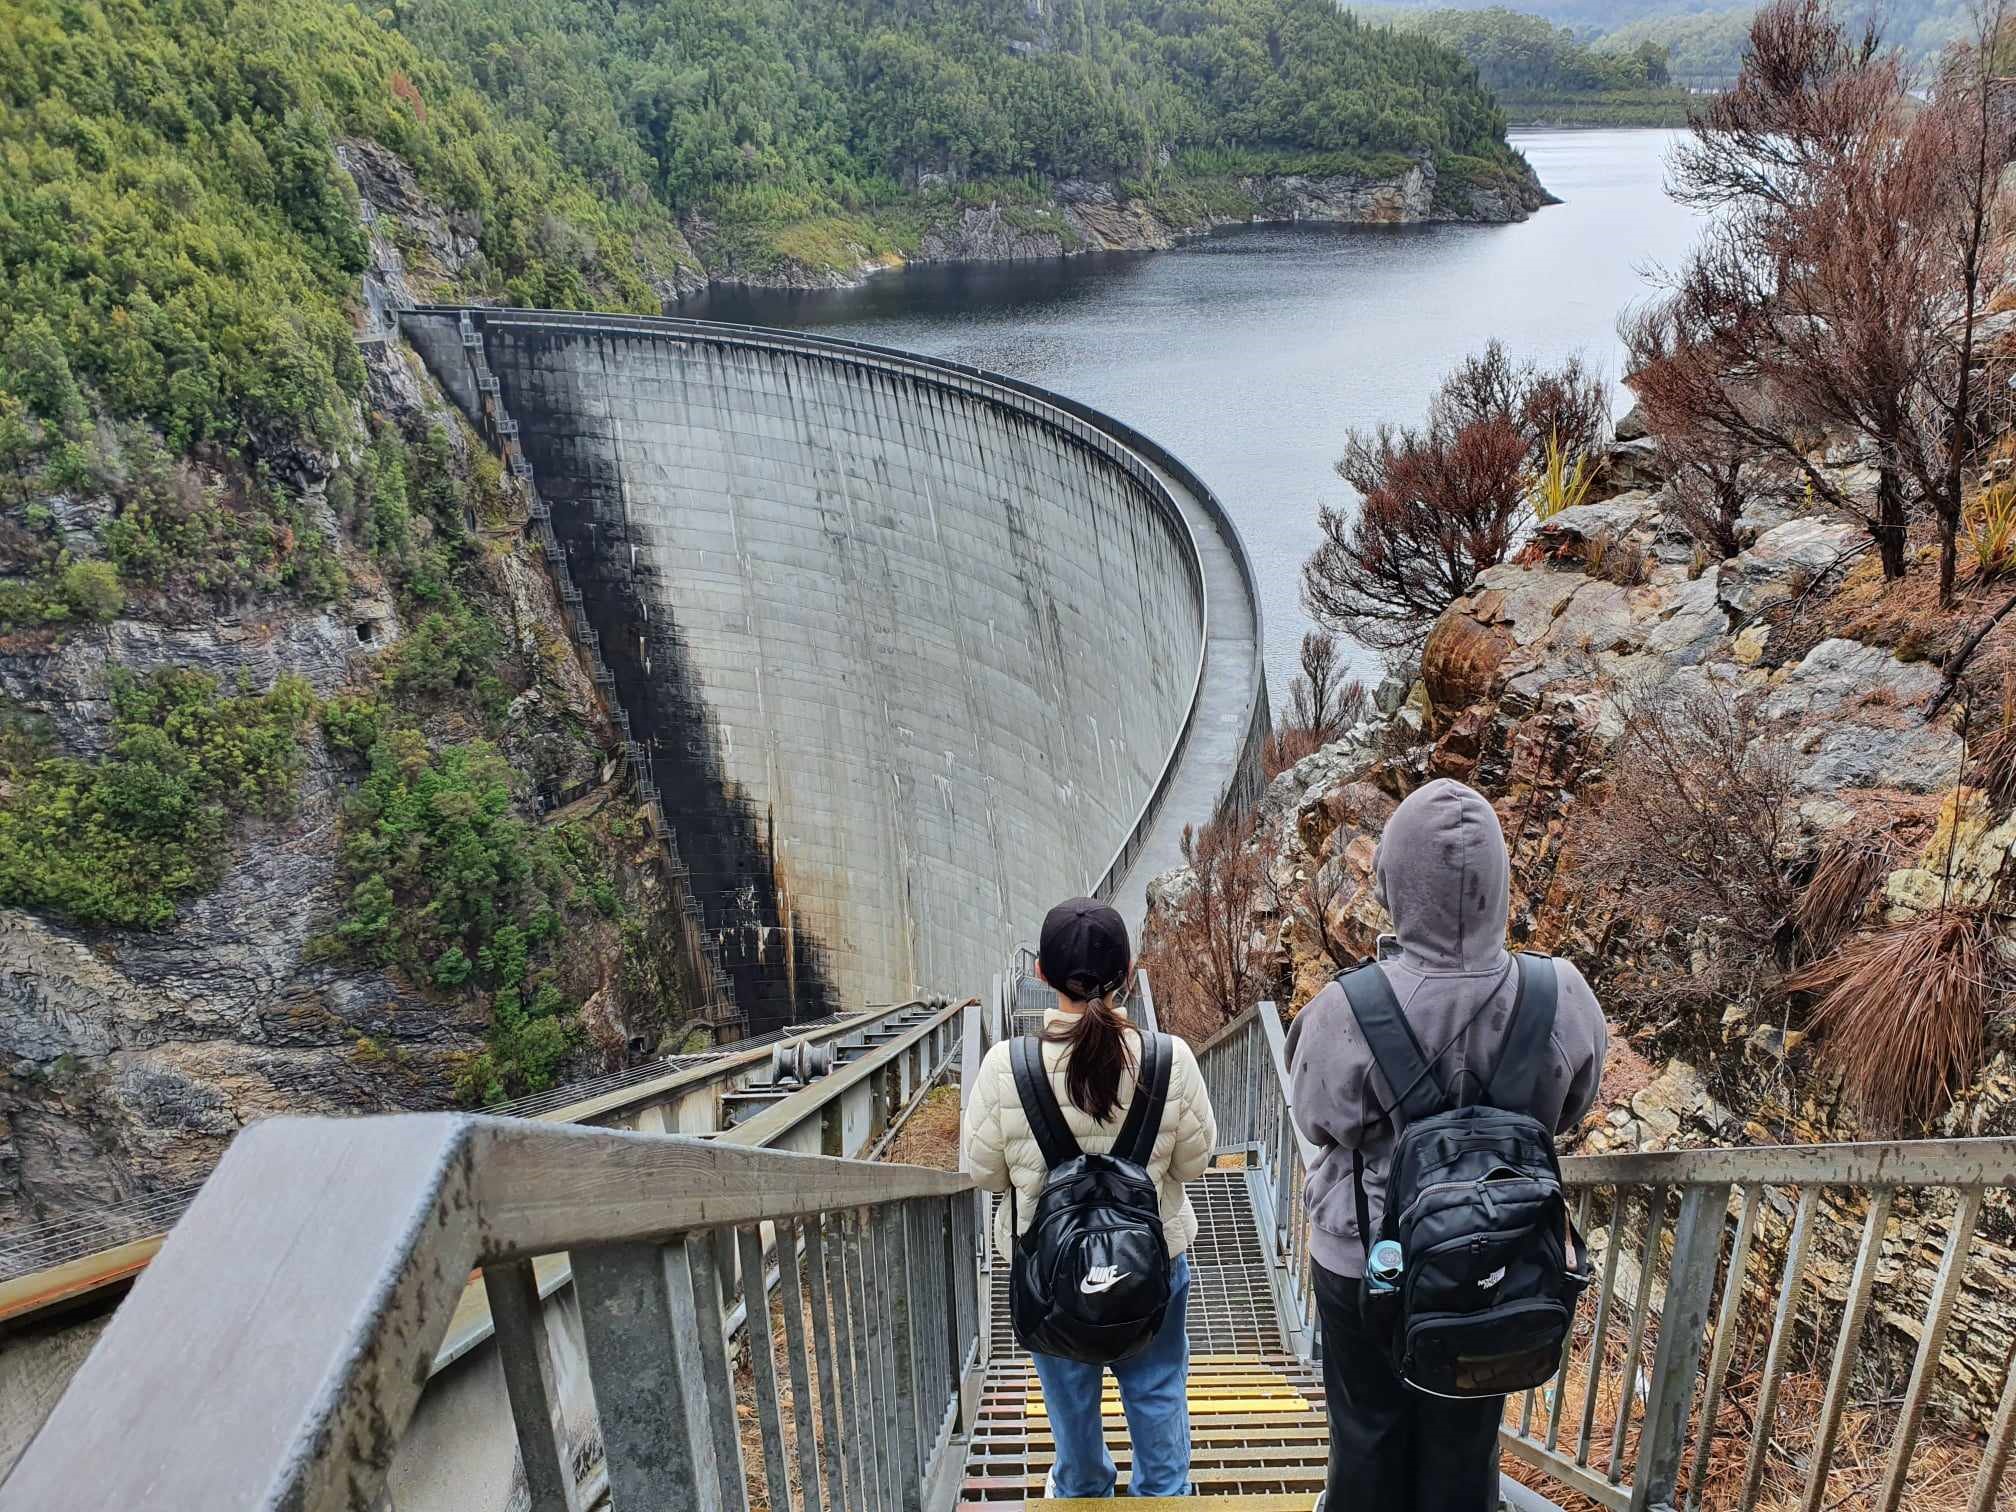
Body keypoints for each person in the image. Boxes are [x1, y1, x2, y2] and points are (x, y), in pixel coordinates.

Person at [1287, 779, 1608, 1512]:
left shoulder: (1347, 1006)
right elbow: (1574, 1102)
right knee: (1465, 1437)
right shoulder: (1559, 994)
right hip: (1500, 1254)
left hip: (1367, 1258)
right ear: (1498, 880)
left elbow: (1317, 1120)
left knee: (1366, 1431)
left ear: (1395, 882)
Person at [965, 898, 1218, 1499]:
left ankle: (1081, 1488)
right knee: (1157, 1385)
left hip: (1049, 1272)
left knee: (1069, 1395)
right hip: (1152, 1260)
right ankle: (1164, 1490)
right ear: (1128, 972)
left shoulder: (1008, 1065)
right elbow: (1194, 1162)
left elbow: (984, 1174)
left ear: (1044, 976)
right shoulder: (1169, 1058)